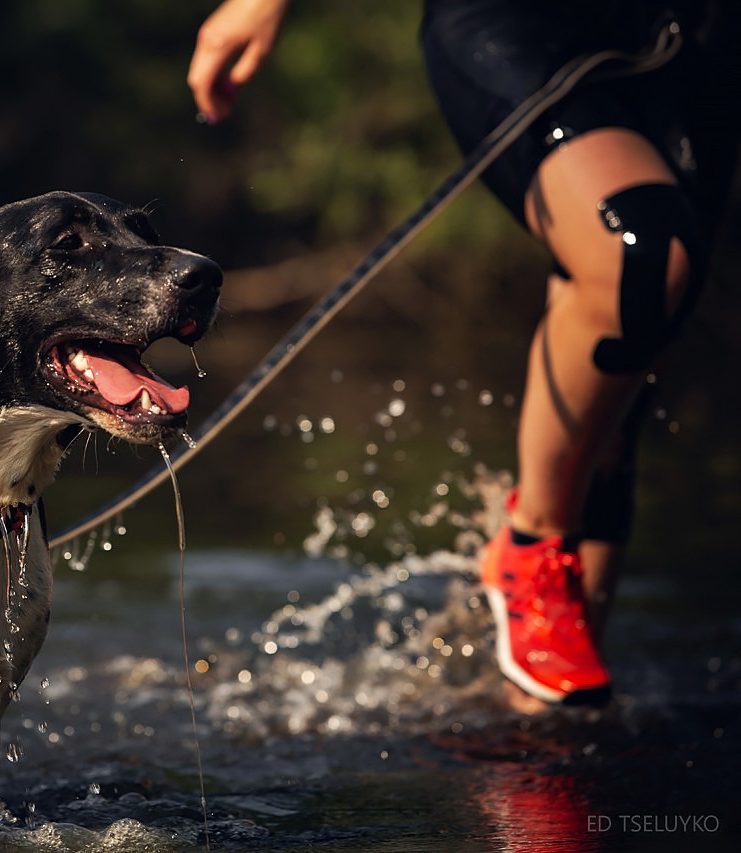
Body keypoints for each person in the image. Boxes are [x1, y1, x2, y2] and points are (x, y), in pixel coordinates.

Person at [188, 0, 738, 706]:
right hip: (517, 23)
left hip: (702, 42)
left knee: (623, 379)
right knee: (642, 255)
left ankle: (537, 715)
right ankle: (530, 543)